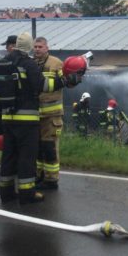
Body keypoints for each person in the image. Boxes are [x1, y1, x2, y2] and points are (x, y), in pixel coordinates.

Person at [0, 32, 53, 204]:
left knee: (9, 156)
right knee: (27, 157)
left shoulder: (3, 63)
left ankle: (6, 193)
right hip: (27, 122)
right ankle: (27, 194)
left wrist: (3, 109)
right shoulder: (28, 63)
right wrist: (64, 80)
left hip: (7, 119)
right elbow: (43, 85)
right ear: (29, 47)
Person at [33, 36, 81, 190]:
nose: (37, 49)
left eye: (40, 47)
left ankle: (51, 179)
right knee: (37, 147)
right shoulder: (31, 64)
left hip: (52, 115)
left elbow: (67, 82)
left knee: (50, 147)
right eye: (35, 47)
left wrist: (73, 79)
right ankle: (39, 175)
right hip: (35, 115)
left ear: (47, 48)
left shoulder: (56, 63)